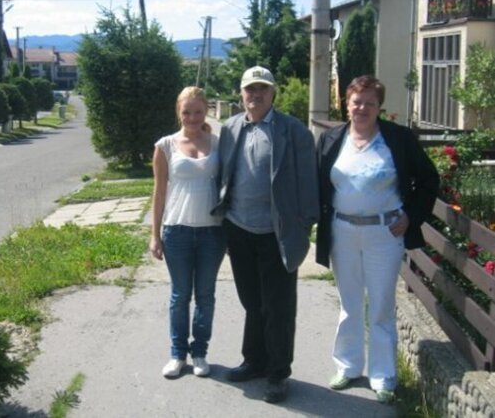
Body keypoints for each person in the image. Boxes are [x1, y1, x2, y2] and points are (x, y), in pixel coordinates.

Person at [316, 75, 439, 404]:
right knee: (349, 303)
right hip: (342, 230)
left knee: (382, 306)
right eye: (357, 101)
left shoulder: (397, 140)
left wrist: (411, 215)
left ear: (379, 106)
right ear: (347, 103)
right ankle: (348, 366)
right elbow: (319, 184)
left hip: (384, 233)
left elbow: (429, 179)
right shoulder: (331, 139)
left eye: (370, 102)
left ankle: (384, 375)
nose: (362, 108)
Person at [212, 66, 319, 403]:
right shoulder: (230, 128)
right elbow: (222, 174)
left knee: (279, 306)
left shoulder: (293, 130)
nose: (255, 95)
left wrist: (303, 226)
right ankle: (254, 360)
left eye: (262, 89)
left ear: (273, 93)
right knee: (252, 302)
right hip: (239, 229)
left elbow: (308, 183)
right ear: (241, 93)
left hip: (277, 232)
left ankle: (277, 373)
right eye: (249, 90)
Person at [150, 86, 226, 379]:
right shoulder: (165, 145)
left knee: (205, 295)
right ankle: (177, 354)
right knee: (180, 296)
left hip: (213, 233)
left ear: (205, 110)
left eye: (197, 111)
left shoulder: (219, 143)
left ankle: (200, 354)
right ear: (178, 113)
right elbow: (158, 193)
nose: (192, 117)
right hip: (177, 231)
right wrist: (154, 235)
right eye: (186, 112)